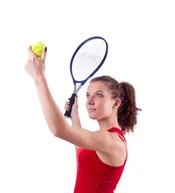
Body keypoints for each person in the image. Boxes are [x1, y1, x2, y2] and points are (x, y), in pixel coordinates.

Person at [24, 46, 141, 193]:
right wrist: (74, 115)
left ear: (116, 103)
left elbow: (59, 130)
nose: (90, 101)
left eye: (99, 95)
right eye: (87, 95)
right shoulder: (101, 140)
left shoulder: (111, 140)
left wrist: (39, 77)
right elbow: (81, 148)